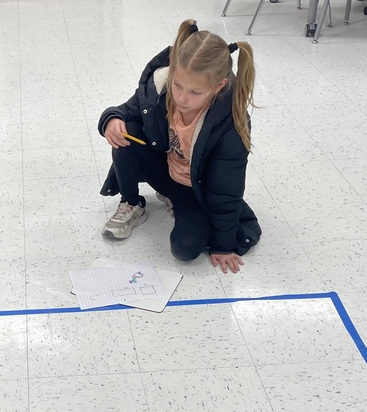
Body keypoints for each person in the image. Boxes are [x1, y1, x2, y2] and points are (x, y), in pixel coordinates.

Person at [98, 19, 261, 273]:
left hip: (194, 190)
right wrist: (111, 119)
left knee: (185, 250)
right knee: (125, 130)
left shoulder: (231, 121)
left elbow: (226, 189)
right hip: (163, 170)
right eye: (178, 85)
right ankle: (132, 203)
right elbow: (126, 110)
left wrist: (223, 244)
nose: (182, 98)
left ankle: (176, 202)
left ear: (218, 87)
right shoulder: (160, 86)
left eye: (195, 93)